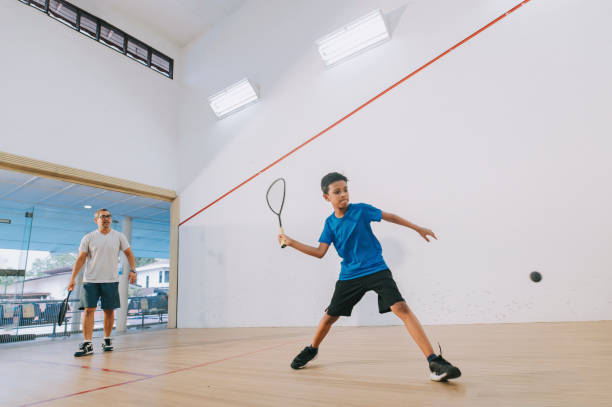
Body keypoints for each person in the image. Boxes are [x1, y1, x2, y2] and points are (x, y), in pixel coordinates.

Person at [279, 172, 461, 382]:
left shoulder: (361, 210)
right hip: (350, 276)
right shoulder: (329, 224)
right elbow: (320, 252)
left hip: (376, 269)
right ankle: (312, 349)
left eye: (345, 190)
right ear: (326, 197)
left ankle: (434, 361)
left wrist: (417, 228)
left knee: (401, 309)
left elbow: (390, 216)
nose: (343, 194)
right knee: (330, 317)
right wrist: (291, 242)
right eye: (337, 192)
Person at [67, 208, 136, 357]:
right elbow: (81, 259)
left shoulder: (119, 236)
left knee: (109, 311)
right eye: (103, 216)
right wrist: (72, 278)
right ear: (96, 220)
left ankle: (107, 340)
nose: (106, 219)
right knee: (88, 310)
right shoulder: (89, 237)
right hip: (91, 280)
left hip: (110, 280)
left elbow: (129, 253)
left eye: (108, 216)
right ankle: (87, 343)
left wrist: (133, 270)